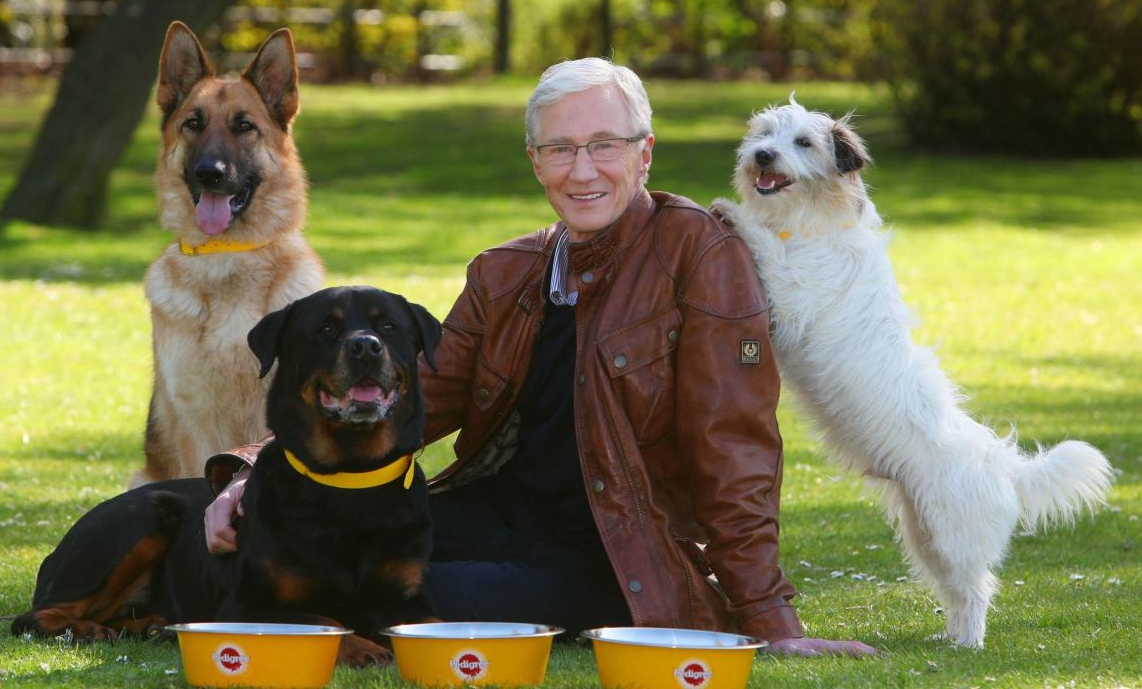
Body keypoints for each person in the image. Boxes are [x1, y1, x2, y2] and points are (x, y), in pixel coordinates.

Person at [203, 58, 875, 657]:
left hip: (617, 553)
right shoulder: (506, 271)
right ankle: (151, 595)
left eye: (603, 146)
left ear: (644, 155)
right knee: (296, 542)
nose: (582, 170)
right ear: (535, 161)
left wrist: (769, 618)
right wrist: (249, 474)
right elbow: (415, 392)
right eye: (560, 148)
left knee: (396, 594)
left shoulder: (698, 256)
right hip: (495, 514)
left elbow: (734, 450)